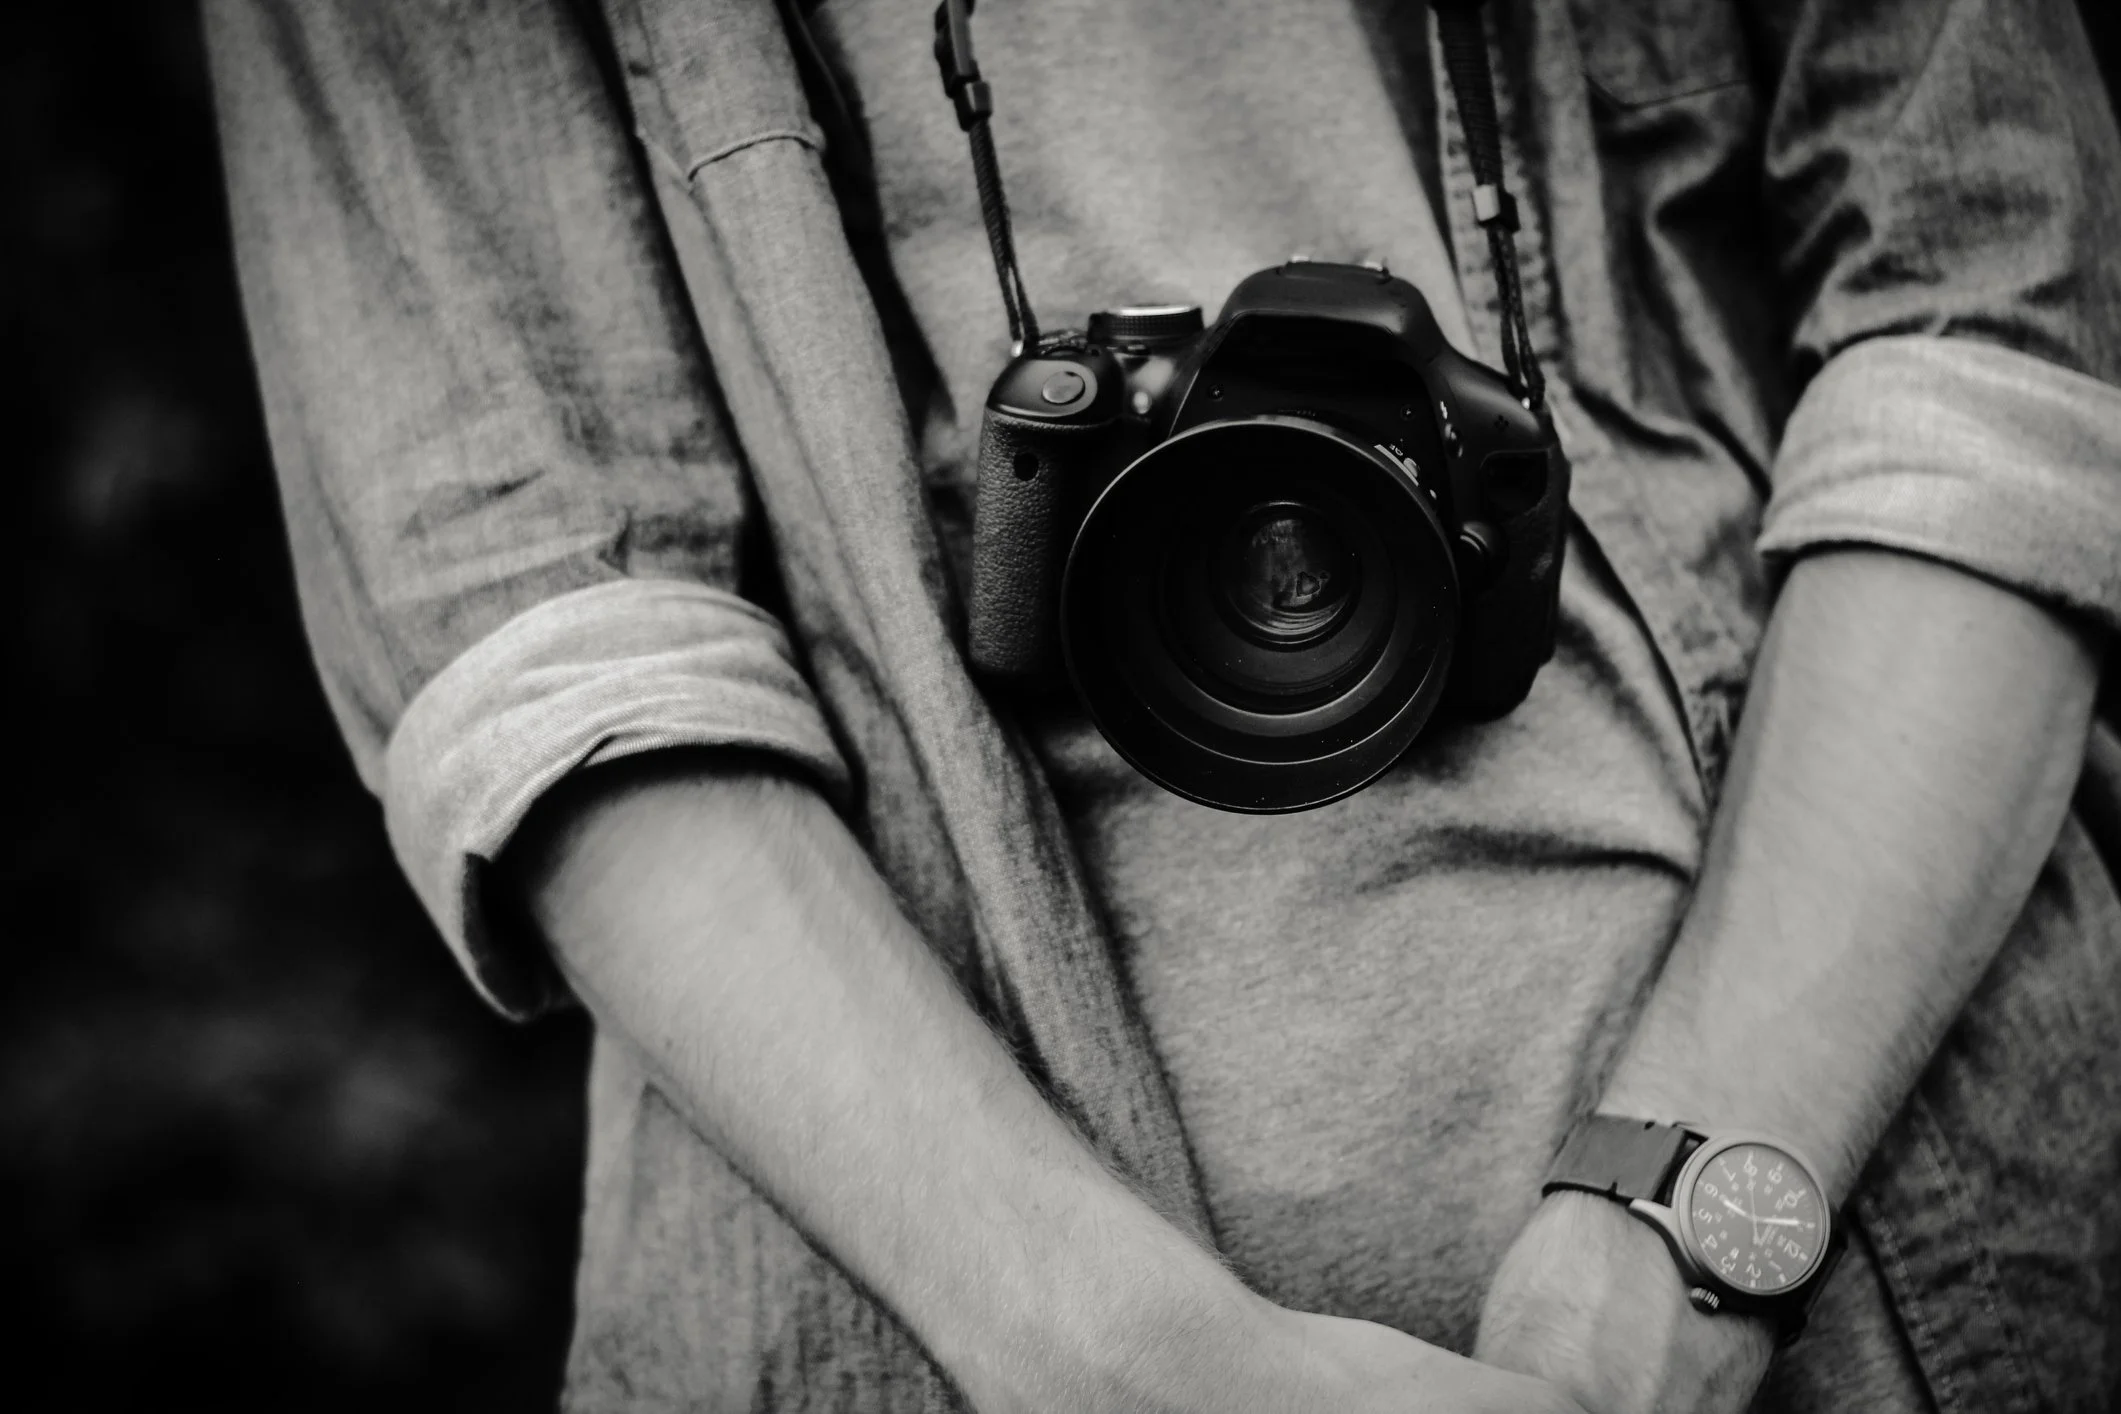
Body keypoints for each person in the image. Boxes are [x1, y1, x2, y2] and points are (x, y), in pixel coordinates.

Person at [205, 0, 2121, 1408]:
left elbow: (1997, 329)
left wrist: (1692, 1228)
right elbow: (549, 615)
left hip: (1901, 1288)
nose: (1287, 577)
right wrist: (1120, 1356)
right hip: (908, 1341)